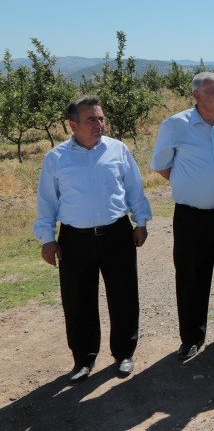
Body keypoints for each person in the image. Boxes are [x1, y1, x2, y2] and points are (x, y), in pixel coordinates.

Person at [34, 96, 152, 382]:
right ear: (73, 125)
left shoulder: (118, 150)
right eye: (91, 119)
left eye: (101, 118)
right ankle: (83, 360)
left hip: (116, 233)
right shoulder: (56, 158)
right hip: (75, 239)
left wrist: (141, 221)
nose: (99, 124)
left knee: (124, 296)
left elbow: (134, 188)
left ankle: (123, 353)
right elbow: (47, 201)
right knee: (77, 300)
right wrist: (47, 239)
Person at [151, 72, 214, 361]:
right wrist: (191, 184)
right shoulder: (175, 126)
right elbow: (161, 165)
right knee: (192, 276)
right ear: (197, 96)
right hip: (192, 217)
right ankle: (192, 337)